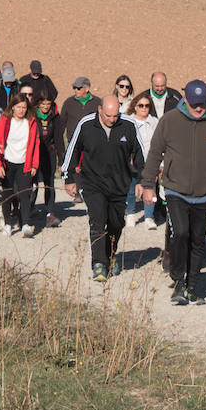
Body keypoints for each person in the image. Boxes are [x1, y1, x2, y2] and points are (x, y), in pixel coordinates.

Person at [142, 80, 206, 306]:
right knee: (181, 234)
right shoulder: (170, 121)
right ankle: (178, 282)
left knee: (198, 240)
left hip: (205, 192)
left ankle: (192, 287)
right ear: (185, 99)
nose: (199, 108)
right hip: (176, 190)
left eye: (203, 103)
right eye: (194, 103)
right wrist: (148, 185)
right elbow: (155, 153)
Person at [63, 95, 143, 282]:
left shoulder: (128, 126)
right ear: (100, 110)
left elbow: (140, 154)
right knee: (98, 220)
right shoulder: (86, 124)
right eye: (108, 116)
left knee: (116, 223)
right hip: (93, 183)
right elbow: (73, 149)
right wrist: (68, 177)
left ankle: (110, 255)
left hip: (119, 184)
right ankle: (98, 264)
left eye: (115, 116)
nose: (111, 120)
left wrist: (142, 180)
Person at [0, 93, 40, 237]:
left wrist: (34, 165)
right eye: (18, 107)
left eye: (24, 107)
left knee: (25, 195)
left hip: (24, 163)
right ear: (12, 107)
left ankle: (25, 224)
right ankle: (7, 224)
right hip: (7, 162)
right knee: (7, 194)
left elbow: (36, 144)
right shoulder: (5, 121)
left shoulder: (31, 122)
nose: (21, 110)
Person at [125, 91, 158, 228]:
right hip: (133, 161)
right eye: (141, 105)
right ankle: (131, 214)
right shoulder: (128, 122)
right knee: (131, 187)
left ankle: (149, 217)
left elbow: (159, 143)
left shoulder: (154, 122)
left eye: (147, 106)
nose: (144, 108)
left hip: (150, 161)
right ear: (135, 106)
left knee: (150, 187)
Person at [32, 96, 63, 227]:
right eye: (43, 103)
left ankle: (50, 213)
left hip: (49, 153)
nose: (45, 106)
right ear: (38, 104)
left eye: (48, 104)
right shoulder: (32, 117)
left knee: (49, 183)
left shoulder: (55, 118)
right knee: (32, 183)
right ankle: (27, 211)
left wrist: (62, 160)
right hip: (34, 153)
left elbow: (59, 139)